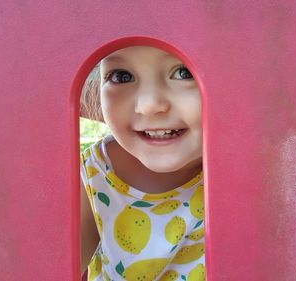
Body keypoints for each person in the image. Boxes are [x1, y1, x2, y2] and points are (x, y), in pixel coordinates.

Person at [79, 46, 205, 281]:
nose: (149, 105)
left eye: (183, 72)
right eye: (121, 76)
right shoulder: (97, 172)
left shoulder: (264, 170)